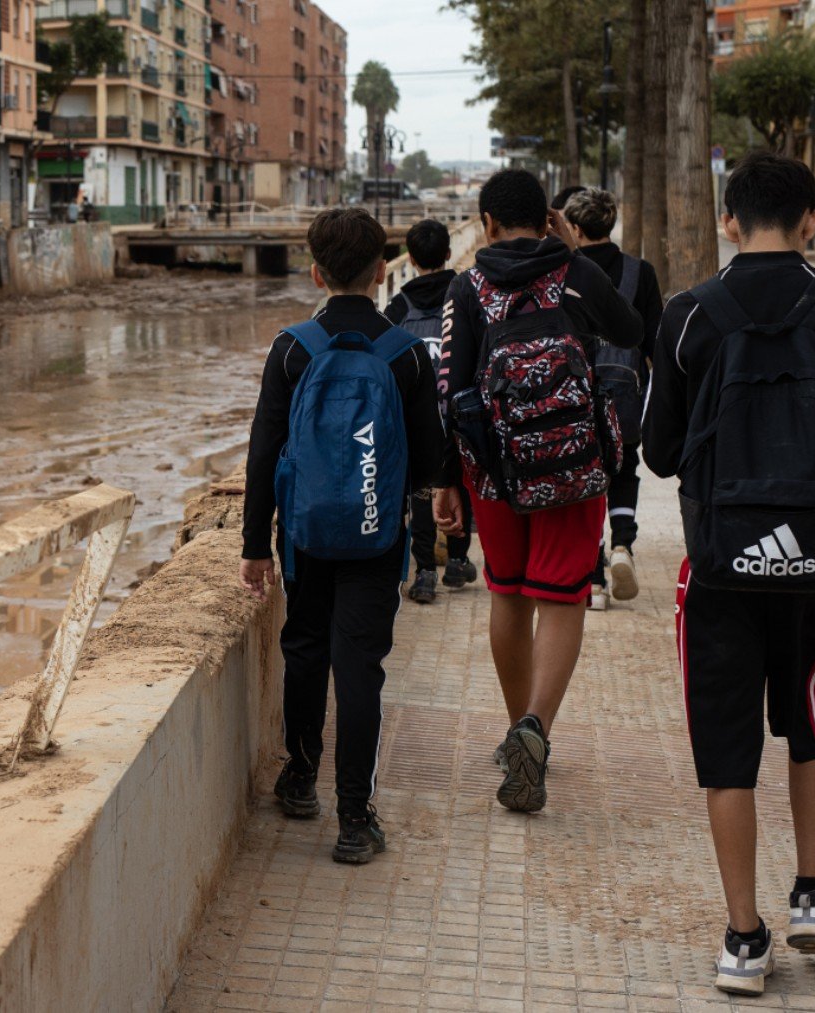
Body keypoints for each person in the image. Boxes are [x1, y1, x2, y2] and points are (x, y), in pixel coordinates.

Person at [641, 152, 815, 997]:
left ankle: (744, 941)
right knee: (811, 714)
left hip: (719, 565)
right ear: (812, 221)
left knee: (726, 748)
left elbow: (660, 451)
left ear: (727, 220)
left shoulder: (687, 316)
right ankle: (813, 898)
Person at [433, 169, 640, 814]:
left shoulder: (468, 286)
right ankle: (537, 729)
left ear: (486, 223)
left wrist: (448, 482)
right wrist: (574, 255)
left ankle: (514, 726)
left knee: (509, 593)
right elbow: (630, 331)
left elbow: (453, 386)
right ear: (549, 217)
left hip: (495, 470)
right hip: (574, 466)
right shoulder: (574, 274)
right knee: (562, 598)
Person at [239, 208, 443, 864]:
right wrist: (441, 505)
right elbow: (431, 458)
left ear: (315, 272)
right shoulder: (406, 354)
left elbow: (264, 452)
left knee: (305, 649)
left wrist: (252, 544)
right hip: (377, 536)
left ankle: (299, 778)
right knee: (360, 667)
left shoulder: (293, 347)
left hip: (303, 534)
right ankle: (355, 818)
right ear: (384, 271)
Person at [560, 187, 665, 609]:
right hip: (625, 394)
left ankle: (594, 579)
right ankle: (623, 543)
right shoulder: (641, 272)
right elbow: (654, 341)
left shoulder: (566, 272)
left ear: (577, 228)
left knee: (584, 481)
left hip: (576, 392)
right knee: (624, 469)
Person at [382, 218, 476, 605]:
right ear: (449, 253)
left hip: (414, 414)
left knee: (421, 490)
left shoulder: (399, 304)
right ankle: (456, 560)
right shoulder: (465, 294)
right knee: (459, 481)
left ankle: (423, 573)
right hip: (459, 409)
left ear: (411, 257)